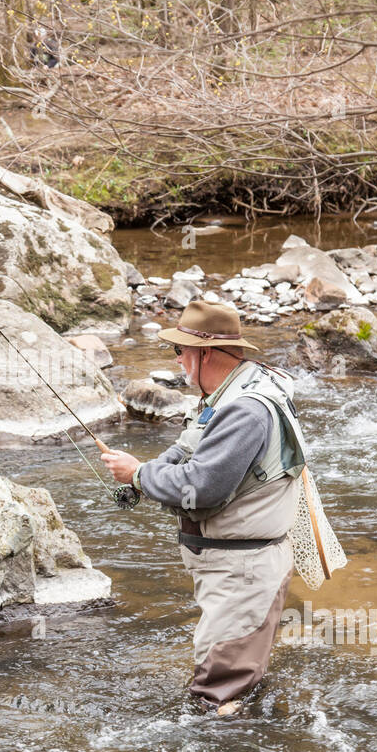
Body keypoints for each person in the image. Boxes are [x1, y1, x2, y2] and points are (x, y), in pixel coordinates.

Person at [101, 300, 310, 716]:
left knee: (216, 695)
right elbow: (185, 451)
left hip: (244, 575)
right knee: (233, 683)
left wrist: (139, 475)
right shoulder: (232, 391)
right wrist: (143, 478)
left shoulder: (244, 411)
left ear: (204, 353)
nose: (177, 360)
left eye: (180, 351)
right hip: (237, 569)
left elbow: (204, 487)